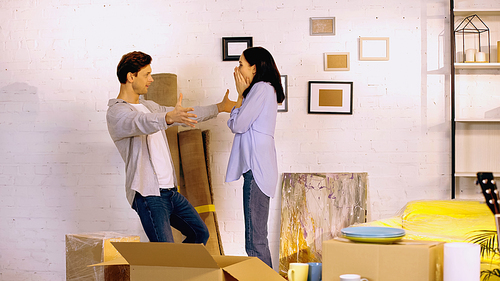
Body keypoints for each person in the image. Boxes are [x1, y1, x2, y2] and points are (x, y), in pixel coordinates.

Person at [107, 51, 235, 244]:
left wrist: (219, 107)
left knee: (200, 233)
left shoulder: (149, 106)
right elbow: (142, 122)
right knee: (166, 253)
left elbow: (185, 114)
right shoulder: (117, 113)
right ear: (130, 77)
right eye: (146, 74)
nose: (151, 79)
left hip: (170, 192)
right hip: (149, 195)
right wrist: (168, 117)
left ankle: (180, 273)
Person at [225, 47, 285, 267]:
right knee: (256, 239)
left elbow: (238, 124)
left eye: (241, 64)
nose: (237, 69)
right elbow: (238, 124)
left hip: (257, 170)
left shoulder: (261, 88)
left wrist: (240, 95)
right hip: (260, 169)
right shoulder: (263, 90)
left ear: (254, 67)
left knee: (255, 242)